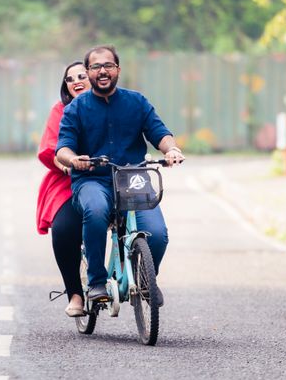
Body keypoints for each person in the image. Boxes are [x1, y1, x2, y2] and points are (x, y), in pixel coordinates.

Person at [55, 45, 184, 304]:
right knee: (95, 210)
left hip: (133, 179)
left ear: (118, 69)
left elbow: (160, 133)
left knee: (157, 234)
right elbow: (63, 148)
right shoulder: (76, 108)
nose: (103, 71)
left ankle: (146, 278)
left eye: (108, 66)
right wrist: (74, 159)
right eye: (96, 67)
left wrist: (172, 150)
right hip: (92, 179)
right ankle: (96, 282)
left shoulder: (137, 102)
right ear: (89, 72)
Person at [36, 61, 91, 317]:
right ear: (66, 86)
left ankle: (142, 274)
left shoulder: (117, 105)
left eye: (82, 75)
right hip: (69, 181)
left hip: (112, 177)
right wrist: (69, 165)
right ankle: (75, 293)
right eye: (71, 79)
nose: (77, 81)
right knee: (64, 229)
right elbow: (50, 149)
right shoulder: (61, 111)